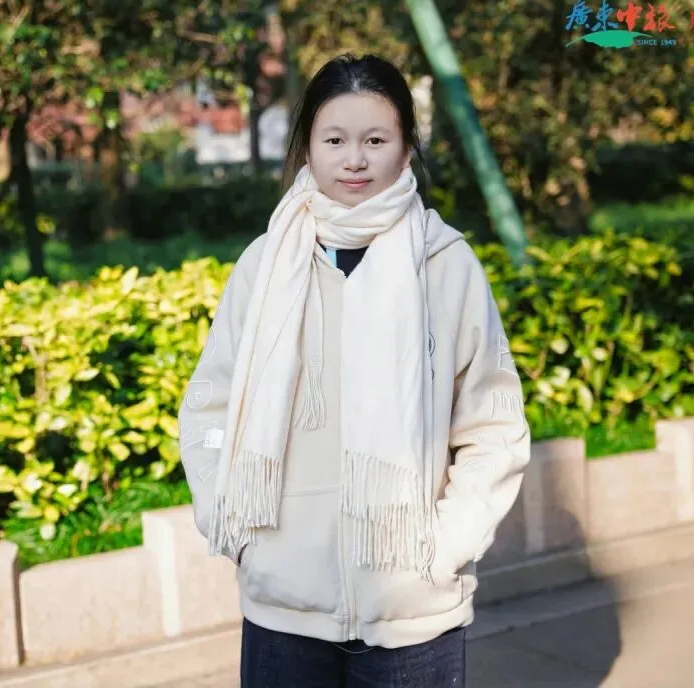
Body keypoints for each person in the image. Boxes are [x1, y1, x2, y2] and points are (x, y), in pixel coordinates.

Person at [177, 53, 531, 687]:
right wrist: (239, 536)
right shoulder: (266, 265)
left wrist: (445, 548)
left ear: (407, 148)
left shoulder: (445, 265)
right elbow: (210, 405)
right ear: (307, 148)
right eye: (335, 140)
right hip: (283, 608)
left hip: (413, 612)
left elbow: (493, 425)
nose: (355, 160)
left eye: (375, 140)